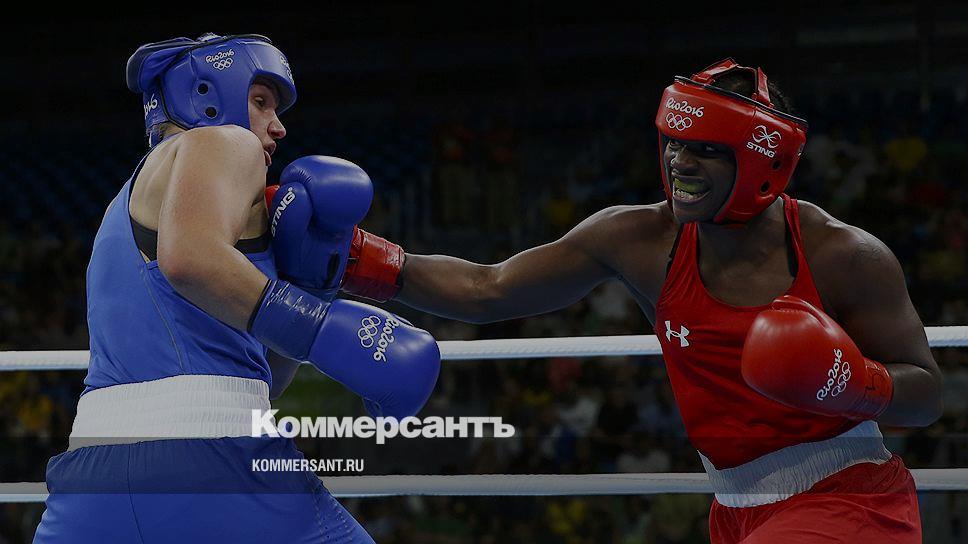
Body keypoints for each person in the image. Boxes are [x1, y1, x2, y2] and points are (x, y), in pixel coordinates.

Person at [322, 59, 943, 542]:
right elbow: (489, 289)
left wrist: (852, 384)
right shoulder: (641, 239)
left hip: (850, 498)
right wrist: (351, 258)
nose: (679, 162)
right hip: (735, 510)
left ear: (761, 161)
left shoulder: (843, 255)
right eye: (674, 141)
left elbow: (927, 394)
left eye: (705, 149)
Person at [33, 33, 439, 543]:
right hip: (218, 461)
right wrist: (318, 327)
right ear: (207, 95)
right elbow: (188, 259)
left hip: (92, 477)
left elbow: (255, 380)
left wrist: (310, 290)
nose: (278, 126)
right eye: (261, 101)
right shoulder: (223, 141)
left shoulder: (122, 207)